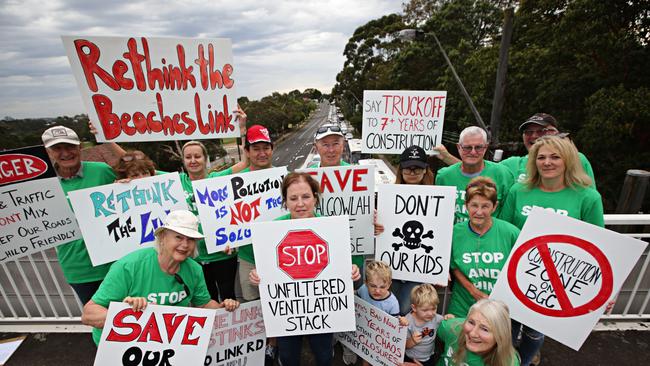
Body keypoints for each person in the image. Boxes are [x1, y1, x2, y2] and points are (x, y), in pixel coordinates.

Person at [498, 135, 604, 365]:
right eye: (541, 157)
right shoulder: (519, 191)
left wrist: (608, 291)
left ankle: (524, 362)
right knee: (505, 328)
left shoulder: (588, 196)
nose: (547, 162)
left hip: (556, 282)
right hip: (516, 274)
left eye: (555, 157)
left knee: (535, 332)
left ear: (568, 160)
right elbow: (503, 231)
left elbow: (599, 246)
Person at [249, 172, 361, 366]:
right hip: (287, 312)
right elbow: (266, 269)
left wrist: (351, 271)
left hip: (322, 310)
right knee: (289, 357)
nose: (300, 203)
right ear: (285, 201)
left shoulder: (331, 228)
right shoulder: (272, 230)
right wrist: (257, 277)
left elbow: (342, 266)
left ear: (315, 198)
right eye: (293, 198)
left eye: (306, 196)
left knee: (324, 356)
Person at [81, 210, 239, 345]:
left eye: (191, 239)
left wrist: (224, 308)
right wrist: (127, 314)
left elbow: (203, 304)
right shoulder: (129, 266)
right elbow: (89, 314)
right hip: (121, 344)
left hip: (166, 342)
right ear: (162, 237)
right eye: (178, 237)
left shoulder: (194, 269)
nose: (185, 245)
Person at [41, 125, 125, 305]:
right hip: (79, 268)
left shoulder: (101, 171)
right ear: (47, 152)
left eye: (70, 146)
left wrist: (128, 184)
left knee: (130, 317)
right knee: (99, 322)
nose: (65, 153)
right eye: (57, 148)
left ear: (79, 147)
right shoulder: (42, 186)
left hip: (115, 264)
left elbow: (138, 170)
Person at [448, 177, 520, 318]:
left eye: (485, 206)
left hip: (500, 307)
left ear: (494, 206)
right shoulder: (454, 232)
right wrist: (473, 291)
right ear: (466, 205)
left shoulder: (511, 233)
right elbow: (453, 266)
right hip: (462, 306)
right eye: (474, 205)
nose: (479, 212)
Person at [435, 127, 514, 224]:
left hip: (489, 236)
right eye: (467, 147)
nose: (473, 152)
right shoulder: (444, 177)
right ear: (459, 147)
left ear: (485, 147)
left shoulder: (503, 174)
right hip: (455, 236)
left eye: (478, 147)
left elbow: (508, 213)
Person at [500, 113, 595, 186]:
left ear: (555, 133)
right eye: (528, 132)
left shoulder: (576, 158)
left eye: (541, 131)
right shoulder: (510, 164)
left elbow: (589, 200)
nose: (534, 136)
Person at [437, 299, 520, 366]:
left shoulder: (508, 362)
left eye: (484, 329)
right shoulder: (452, 328)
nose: (472, 333)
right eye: (471, 322)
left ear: (500, 336)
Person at [405, 284, 446, 366]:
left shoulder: (436, 318)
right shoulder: (408, 321)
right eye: (425, 310)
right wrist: (412, 341)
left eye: (434, 309)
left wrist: (449, 317)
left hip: (429, 357)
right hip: (411, 358)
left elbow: (445, 321)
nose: (430, 313)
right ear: (414, 308)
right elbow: (403, 345)